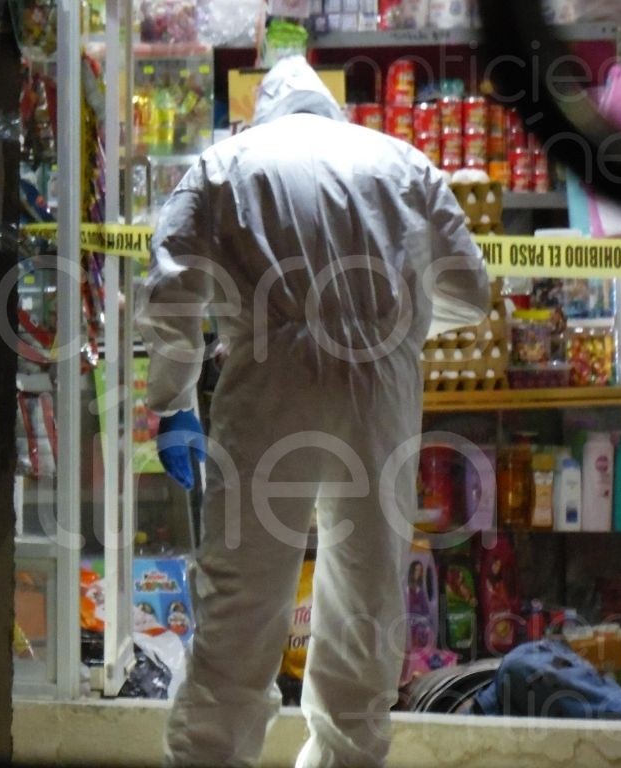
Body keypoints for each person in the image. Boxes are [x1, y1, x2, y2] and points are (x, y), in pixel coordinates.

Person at [135, 56, 491, 767]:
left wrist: (173, 402)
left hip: (270, 383)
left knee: (244, 596)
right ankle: (344, 757)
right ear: (328, 108)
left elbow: (171, 293)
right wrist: (390, 325)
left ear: (265, 110)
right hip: (378, 391)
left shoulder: (225, 163)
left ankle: (210, 756)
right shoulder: (404, 164)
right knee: (365, 598)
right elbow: (469, 292)